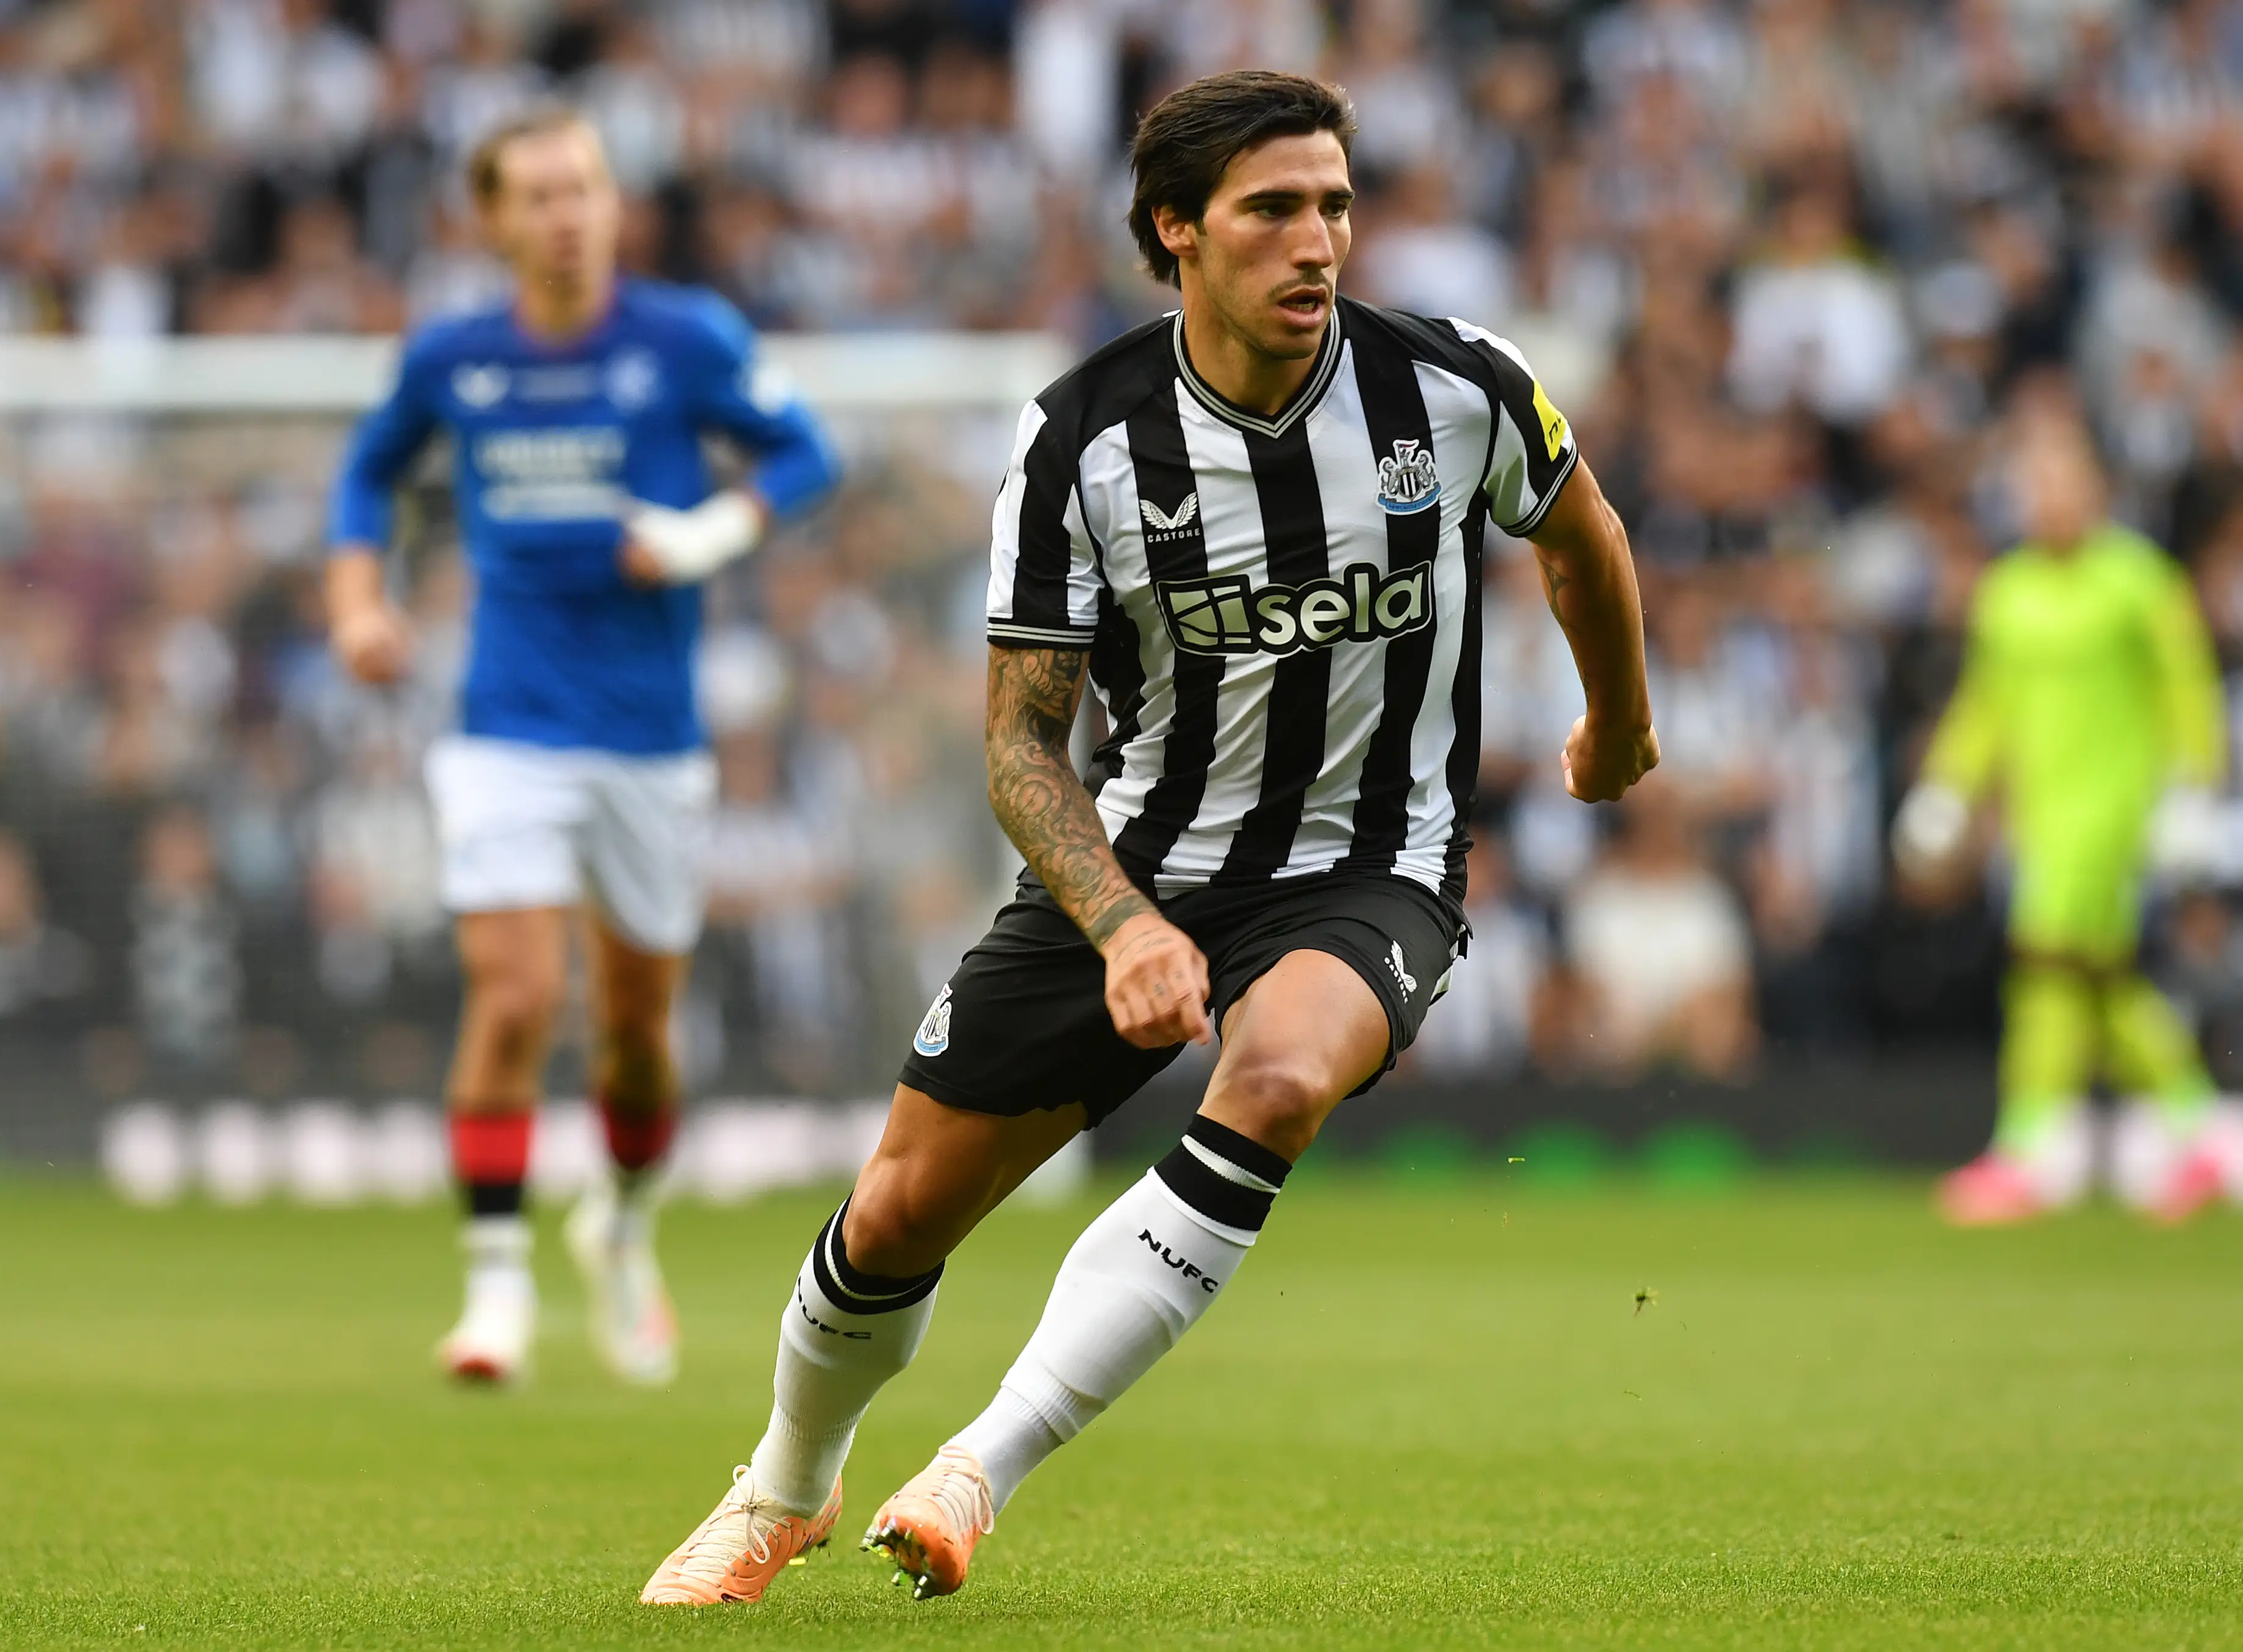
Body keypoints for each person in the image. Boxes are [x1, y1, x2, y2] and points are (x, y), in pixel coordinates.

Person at [637, 69, 1657, 1608]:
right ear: (1177, 229)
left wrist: (1620, 722)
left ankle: (981, 1463)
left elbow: (1581, 538)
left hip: (1373, 866)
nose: (1317, 243)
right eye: (1272, 212)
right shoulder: (1082, 444)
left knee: (1282, 1076)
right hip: (1142, 862)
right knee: (901, 1209)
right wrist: (1123, 925)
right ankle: (782, 1486)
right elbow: (1018, 746)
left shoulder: (1455, 390)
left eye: (1335, 206)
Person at [324, 107, 837, 1386]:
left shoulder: (685, 340)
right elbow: (367, 471)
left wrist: (703, 538)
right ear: (492, 220)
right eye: (538, 195)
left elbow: (806, 452)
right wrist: (355, 599)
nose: (566, 214)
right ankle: (493, 1287)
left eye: (585, 189)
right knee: (514, 994)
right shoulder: (455, 357)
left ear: (614, 207)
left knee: (636, 1033)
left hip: (650, 740)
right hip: (505, 725)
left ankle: (624, 1232)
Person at [1896, 411, 2228, 1226]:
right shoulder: (2007, 592)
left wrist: (2197, 789)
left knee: (2043, 963)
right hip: (2038, 819)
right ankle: (2205, 1131)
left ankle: (2026, 1148)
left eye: (2062, 482)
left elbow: (2189, 690)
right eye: (2033, 485)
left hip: (2115, 812)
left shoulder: (2139, 581)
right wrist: (1946, 788)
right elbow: (1986, 709)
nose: (2048, 499)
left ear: (2096, 492)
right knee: (2096, 978)